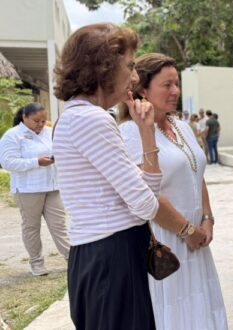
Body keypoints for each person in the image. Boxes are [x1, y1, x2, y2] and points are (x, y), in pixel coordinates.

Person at [52, 23, 206, 329]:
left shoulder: (80, 115)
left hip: (104, 254)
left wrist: (146, 132)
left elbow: (148, 190)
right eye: (130, 66)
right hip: (111, 256)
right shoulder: (92, 120)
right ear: (103, 68)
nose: (134, 77)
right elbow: (146, 205)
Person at [117, 53, 227, 330]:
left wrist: (207, 219)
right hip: (166, 238)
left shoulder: (182, 126)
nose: (175, 91)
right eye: (167, 85)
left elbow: (196, 174)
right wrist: (187, 231)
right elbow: (145, 194)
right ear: (143, 89)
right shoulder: (132, 132)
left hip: (197, 237)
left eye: (176, 83)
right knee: (176, 313)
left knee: (201, 309)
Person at [0, 102, 70, 276]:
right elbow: (8, 162)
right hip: (28, 189)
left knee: (58, 224)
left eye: (43, 120)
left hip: (53, 186)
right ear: (25, 118)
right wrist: (36, 162)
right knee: (32, 226)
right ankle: (37, 263)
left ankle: (71, 258)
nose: (40, 124)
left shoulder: (49, 132)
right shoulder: (13, 135)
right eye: (36, 121)